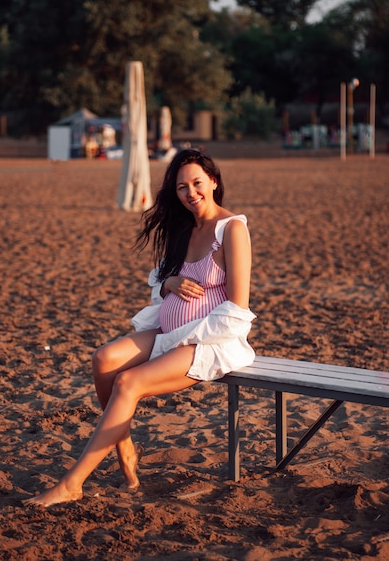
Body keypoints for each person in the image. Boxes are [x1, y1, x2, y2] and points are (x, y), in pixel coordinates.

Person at [24, 149, 256, 508]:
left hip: (212, 342)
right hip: (169, 332)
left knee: (127, 383)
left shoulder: (232, 229)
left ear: (213, 181)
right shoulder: (184, 228)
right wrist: (170, 285)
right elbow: (159, 282)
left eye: (197, 183)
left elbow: (238, 308)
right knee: (104, 359)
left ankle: (72, 483)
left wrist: (183, 338)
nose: (191, 193)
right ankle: (125, 444)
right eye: (182, 187)